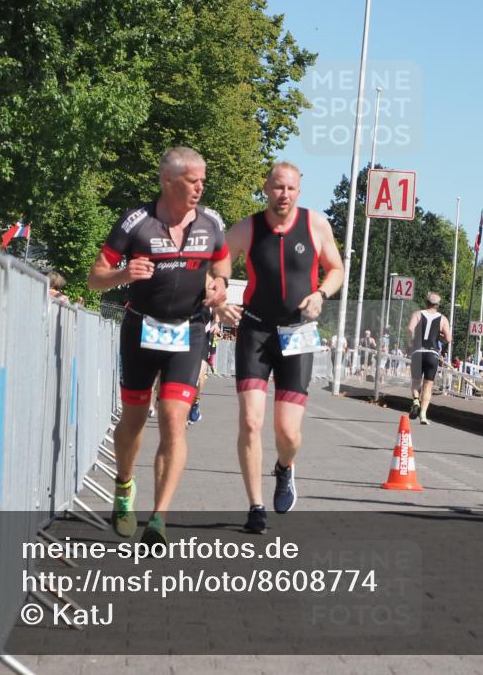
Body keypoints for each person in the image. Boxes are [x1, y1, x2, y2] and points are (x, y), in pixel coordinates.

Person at [87, 147, 229, 546]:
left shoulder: (211, 223)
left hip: (189, 331)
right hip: (141, 329)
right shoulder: (137, 222)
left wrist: (218, 285)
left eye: (203, 180)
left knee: (172, 417)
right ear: (168, 181)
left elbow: (222, 264)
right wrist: (122, 273)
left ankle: (159, 517)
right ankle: (123, 485)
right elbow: (94, 278)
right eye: (192, 180)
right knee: (132, 419)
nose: (201, 187)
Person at [220, 162, 344, 534]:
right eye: (277, 188)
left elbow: (336, 268)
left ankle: (285, 468)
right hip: (255, 332)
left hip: (298, 332)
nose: (283, 195)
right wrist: (221, 295)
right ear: (266, 188)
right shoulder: (247, 228)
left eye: (290, 188)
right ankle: (255, 505)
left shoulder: (315, 225)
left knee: (288, 433)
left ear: (299, 191)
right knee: (251, 421)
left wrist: (322, 294)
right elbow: (218, 263)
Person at [406, 293, 452, 425]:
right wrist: (441, 337)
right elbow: (448, 339)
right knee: (428, 385)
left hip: (418, 352)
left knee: (416, 382)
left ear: (426, 302)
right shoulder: (443, 319)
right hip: (432, 354)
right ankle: (423, 414)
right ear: (438, 305)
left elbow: (410, 328)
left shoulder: (417, 314)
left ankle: (415, 401)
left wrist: (411, 342)